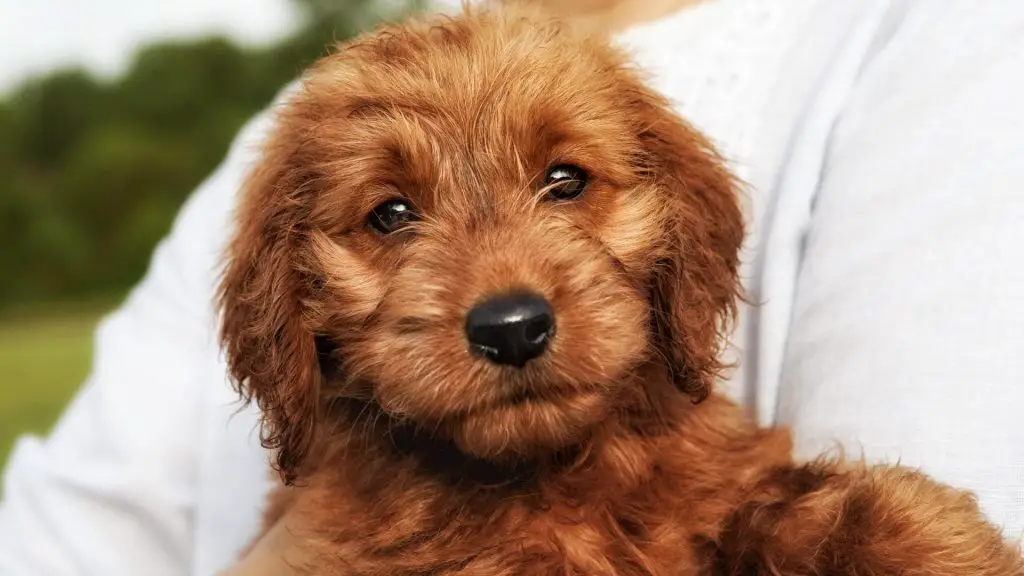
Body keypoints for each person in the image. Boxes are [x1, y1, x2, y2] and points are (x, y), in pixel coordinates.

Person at [3, 0, 1023, 573]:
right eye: (388, 216)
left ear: (690, 240)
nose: (506, 299)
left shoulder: (936, 45)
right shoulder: (353, 532)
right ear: (286, 313)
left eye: (567, 181)